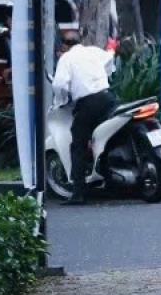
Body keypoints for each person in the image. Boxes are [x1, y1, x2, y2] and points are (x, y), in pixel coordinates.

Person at [51, 32, 119, 205]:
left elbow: (59, 84)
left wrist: (61, 100)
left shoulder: (66, 59)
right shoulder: (93, 51)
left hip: (88, 103)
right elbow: (110, 57)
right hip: (108, 98)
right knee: (107, 138)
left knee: (78, 144)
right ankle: (111, 180)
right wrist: (103, 74)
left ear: (64, 46)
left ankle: (78, 193)